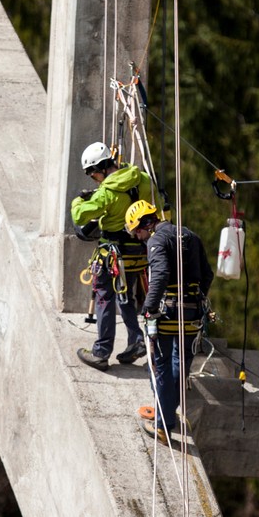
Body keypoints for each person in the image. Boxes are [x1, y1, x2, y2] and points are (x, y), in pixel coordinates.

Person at [125, 200, 214, 442]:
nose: (138, 238)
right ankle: (167, 414)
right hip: (192, 312)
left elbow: (161, 275)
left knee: (160, 366)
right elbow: (207, 274)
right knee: (180, 364)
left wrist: (148, 308)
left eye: (137, 233)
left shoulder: (156, 240)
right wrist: (197, 298)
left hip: (169, 311)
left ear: (144, 225)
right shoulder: (190, 235)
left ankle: (162, 425)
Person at [70, 142, 155, 371]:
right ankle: (136, 339)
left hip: (113, 255)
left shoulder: (107, 192)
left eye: (93, 174)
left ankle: (101, 352)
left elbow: (79, 216)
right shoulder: (143, 179)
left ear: (101, 168)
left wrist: (80, 200)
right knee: (125, 295)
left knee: (104, 296)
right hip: (137, 252)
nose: (94, 179)